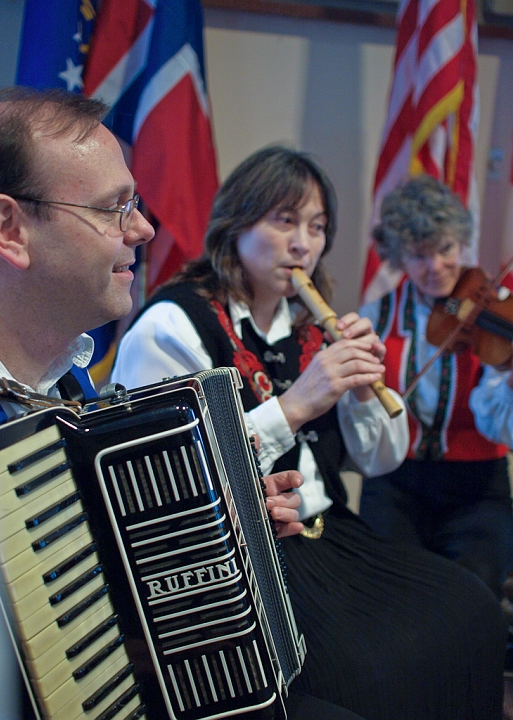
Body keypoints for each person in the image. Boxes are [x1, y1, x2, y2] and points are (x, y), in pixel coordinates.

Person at [0, 88, 367, 720]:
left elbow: (99, 582)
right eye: (112, 208)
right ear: (10, 230)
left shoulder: (67, 387)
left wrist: (206, 533)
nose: (144, 228)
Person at [112, 145, 509, 720]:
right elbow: (168, 483)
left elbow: (378, 462)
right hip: (247, 556)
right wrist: (295, 406)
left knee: (470, 610)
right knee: (376, 668)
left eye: (317, 227)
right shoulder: (172, 325)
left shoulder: (307, 325)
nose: (304, 243)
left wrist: (362, 390)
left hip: (330, 533)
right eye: (285, 220)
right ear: (236, 223)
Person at [358, 174, 513, 602]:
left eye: (446, 250)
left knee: (472, 589)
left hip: (477, 486)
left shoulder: (499, 310)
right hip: (395, 481)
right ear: (397, 256)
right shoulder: (376, 314)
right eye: (418, 255)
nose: (436, 268)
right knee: (387, 591)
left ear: (461, 243)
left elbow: (505, 431)